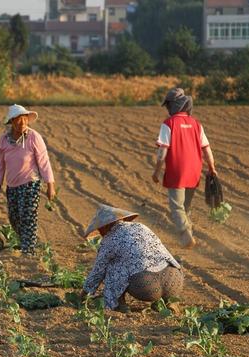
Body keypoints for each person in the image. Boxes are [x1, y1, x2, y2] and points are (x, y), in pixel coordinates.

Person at [79, 204, 183, 312]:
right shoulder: (141, 226)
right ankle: (171, 302)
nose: (101, 234)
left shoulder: (109, 240)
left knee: (111, 266)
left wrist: (83, 295)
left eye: (100, 230)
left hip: (146, 286)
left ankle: (118, 304)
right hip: (174, 280)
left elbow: (98, 272)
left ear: (105, 226)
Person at [151, 88, 218, 248]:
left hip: (177, 170)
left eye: (167, 105)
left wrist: (156, 171)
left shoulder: (169, 123)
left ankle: (185, 233)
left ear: (172, 105)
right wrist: (212, 167)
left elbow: (162, 152)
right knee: (185, 206)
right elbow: (206, 148)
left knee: (176, 206)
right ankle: (189, 233)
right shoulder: (196, 123)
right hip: (195, 169)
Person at [0, 104, 56, 256]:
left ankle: (28, 249)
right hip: (12, 185)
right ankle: (26, 241)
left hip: (30, 183)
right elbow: (0, 165)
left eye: (24, 119)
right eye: (18, 120)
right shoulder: (4, 140)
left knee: (28, 216)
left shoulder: (34, 137)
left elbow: (44, 161)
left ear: (27, 120)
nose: (22, 123)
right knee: (15, 218)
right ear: (11, 122)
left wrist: (50, 185)